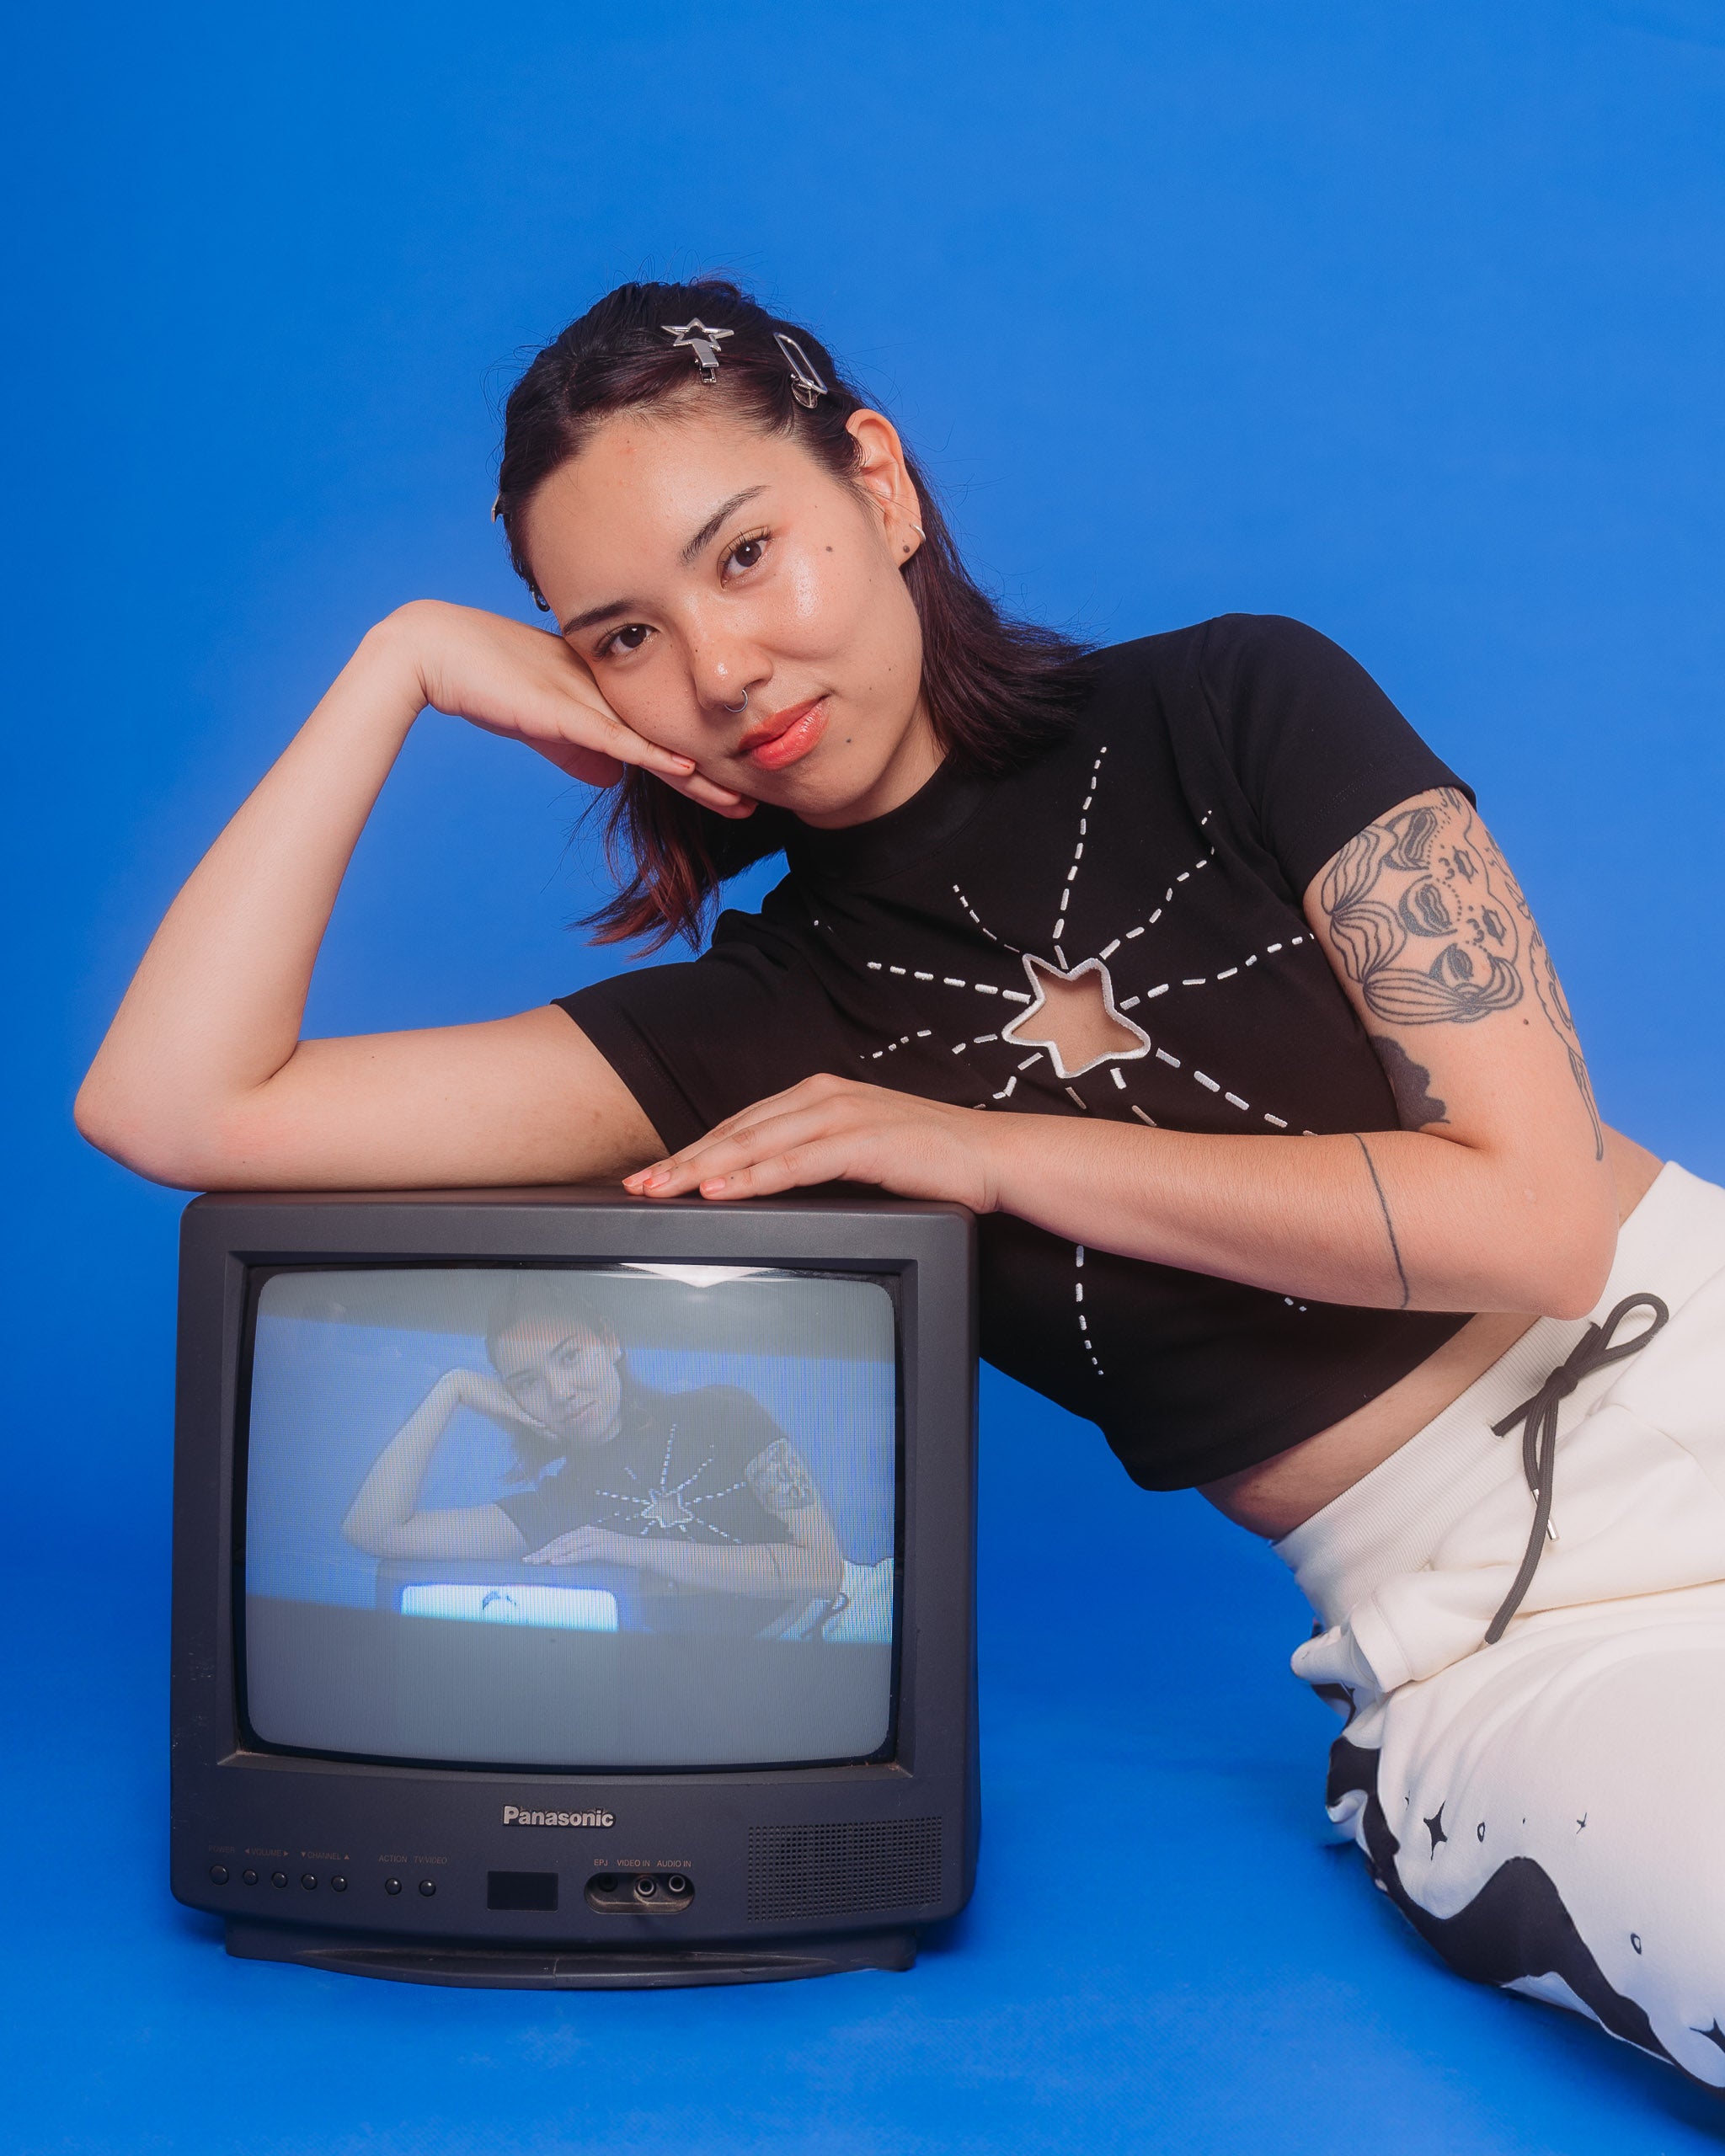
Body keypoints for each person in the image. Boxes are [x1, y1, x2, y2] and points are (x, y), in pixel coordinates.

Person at [75, 278, 1725, 2084]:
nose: (717, 669)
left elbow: (1540, 1222)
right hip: (1500, 1618)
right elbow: (173, 1105)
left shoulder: (1236, 699)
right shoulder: (755, 1027)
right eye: (619, 634)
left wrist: (980, 1151)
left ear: (877, 483)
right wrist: (390, 666)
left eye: (743, 554)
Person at [338, 1279, 846, 1630]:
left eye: (570, 1356)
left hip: (839, 1626)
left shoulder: (722, 1411)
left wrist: (628, 1548)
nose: (559, 1391)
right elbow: (375, 1530)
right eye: (528, 1383)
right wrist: (449, 1392)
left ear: (608, 1341)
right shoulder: (555, 1511)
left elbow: (823, 1570)